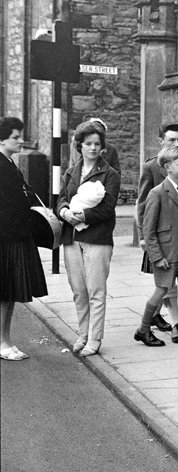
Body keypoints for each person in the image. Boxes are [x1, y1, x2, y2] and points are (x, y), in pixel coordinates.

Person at [135, 122, 178, 341]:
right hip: (162, 237)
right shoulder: (152, 167)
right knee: (165, 286)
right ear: (161, 141)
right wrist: (144, 239)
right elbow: (143, 205)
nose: (177, 143)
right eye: (172, 140)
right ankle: (174, 323)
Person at [55, 121, 120, 356]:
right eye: (88, 144)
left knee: (96, 290)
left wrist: (84, 215)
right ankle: (82, 334)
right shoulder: (71, 172)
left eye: (97, 144)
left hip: (97, 238)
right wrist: (64, 212)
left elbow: (108, 208)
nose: (93, 148)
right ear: (79, 146)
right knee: (78, 290)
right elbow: (61, 199)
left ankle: (95, 338)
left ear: (103, 148)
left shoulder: (109, 173)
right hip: (72, 237)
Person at [0, 117, 48, 361]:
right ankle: (2, 342)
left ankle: (5, 340)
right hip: (7, 237)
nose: (20, 141)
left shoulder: (9, 163)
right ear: (2, 139)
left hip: (15, 234)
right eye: (15, 137)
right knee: (5, 293)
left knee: (9, 294)